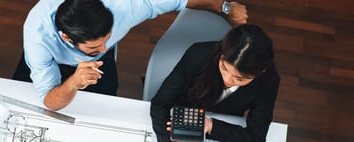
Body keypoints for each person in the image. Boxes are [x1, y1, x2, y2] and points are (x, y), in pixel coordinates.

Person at [14, 0, 248, 111]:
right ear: (67, 39)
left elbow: (180, 0)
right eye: (95, 48)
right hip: (50, 63)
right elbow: (49, 101)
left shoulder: (126, 5)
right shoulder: (37, 37)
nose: (104, 51)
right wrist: (74, 82)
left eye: (108, 40)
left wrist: (225, 7)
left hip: (92, 67)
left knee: (103, 109)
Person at [151, 24, 280, 142]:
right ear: (221, 54)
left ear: (260, 72)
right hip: (184, 108)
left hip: (227, 119)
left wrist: (211, 126)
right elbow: (159, 104)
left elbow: (255, 138)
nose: (227, 79)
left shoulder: (269, 81)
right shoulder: (199, 54)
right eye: (224, 68)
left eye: (239, 79)